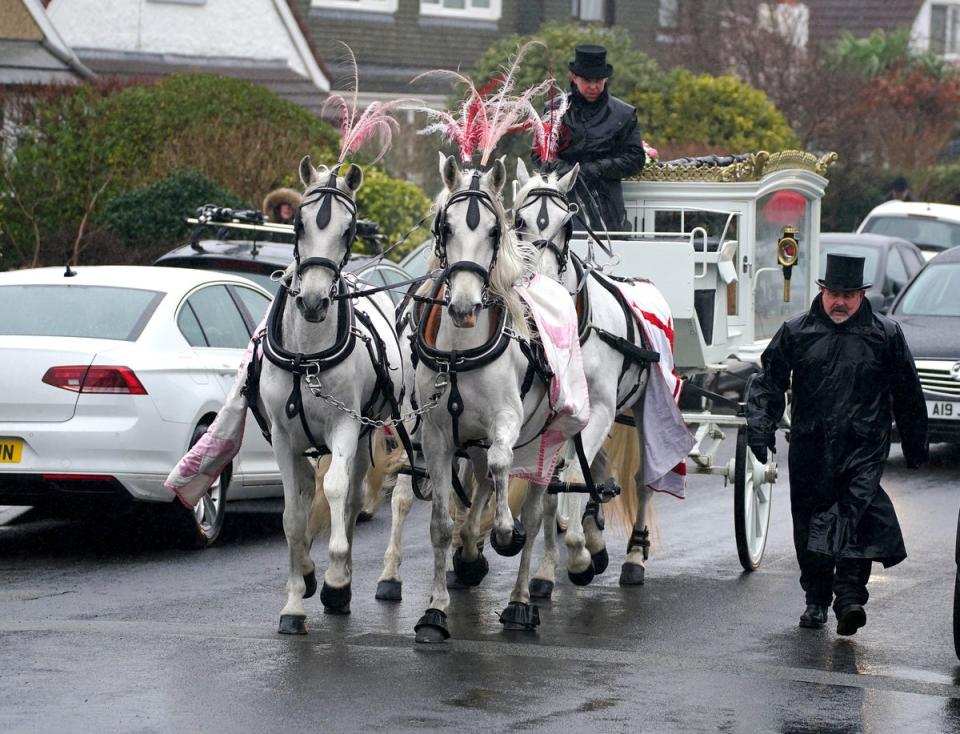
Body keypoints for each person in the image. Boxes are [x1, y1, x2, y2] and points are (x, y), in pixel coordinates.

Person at [745, 254, 928, 636]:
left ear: (861, 296)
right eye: (833, 294)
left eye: (848, 294)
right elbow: (768, 381)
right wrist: (760, 428)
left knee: (852, 518)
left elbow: (907, 392)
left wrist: (915, 445)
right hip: (811, 447)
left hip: (863, 447)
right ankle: (816, 599)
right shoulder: (796, 332)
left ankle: (849, 598)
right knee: (809, 525)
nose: (839, 302)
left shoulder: (886, 335)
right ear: (822, 292)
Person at [531, 44, 646, 232]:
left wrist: (597, 168)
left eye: (598, 81)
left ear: (606, 79)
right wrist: (567, 171)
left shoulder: (624, 114)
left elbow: (636, 159)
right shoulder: (554, 109)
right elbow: (538, 154)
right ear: (574, 78)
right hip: (560, 195)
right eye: (587, 80)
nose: (593, 87)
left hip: (607, 202)